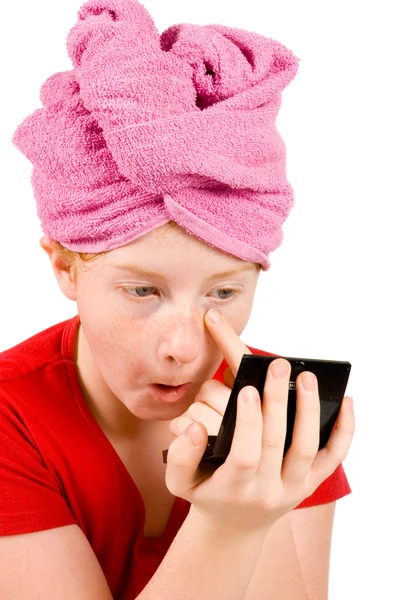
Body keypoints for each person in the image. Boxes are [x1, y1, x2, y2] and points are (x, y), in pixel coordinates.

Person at [0, 0, 355, 599]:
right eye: (143, 290)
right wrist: (229, 525)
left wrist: (262, 493)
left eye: (225, 291)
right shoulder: (12, 419)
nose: (184, 348)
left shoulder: (280, 415)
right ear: (64, 266)